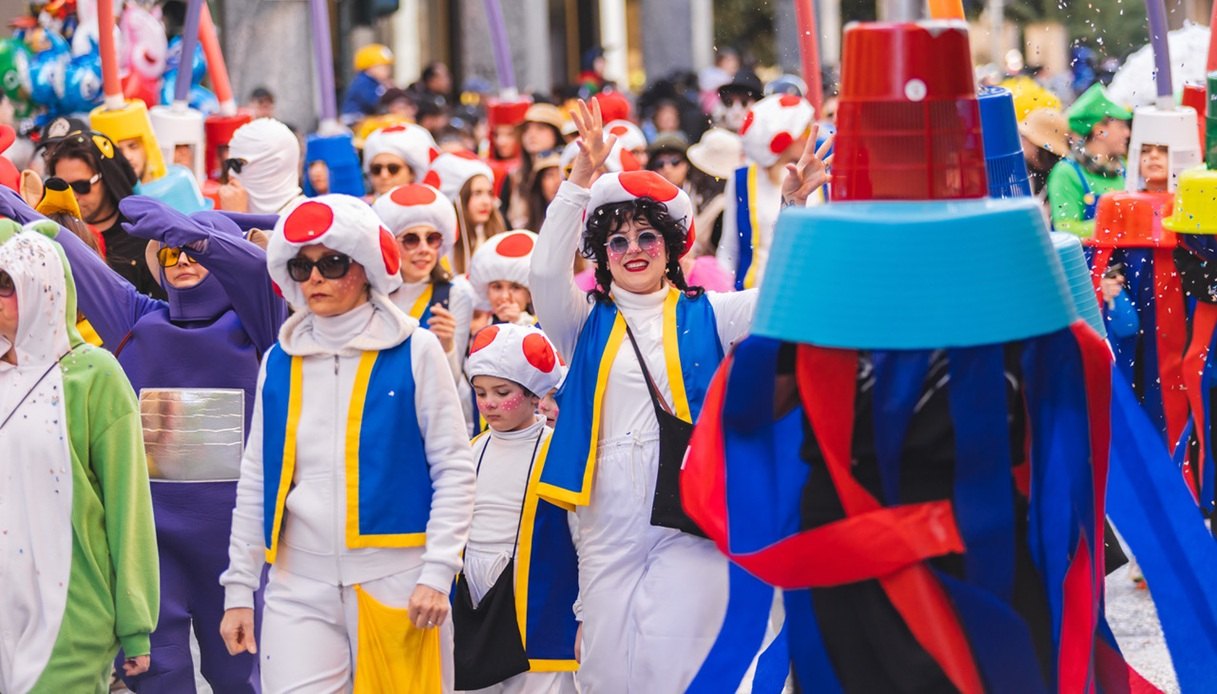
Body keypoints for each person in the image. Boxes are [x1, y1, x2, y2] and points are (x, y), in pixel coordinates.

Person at [529, 100, 828, 692]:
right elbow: (542, 274)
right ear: (602, 256)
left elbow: (786, 298)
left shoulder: (713, 313)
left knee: (685, 651)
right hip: (602, 507)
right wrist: (579, 180)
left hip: (691, 501)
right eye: (616, 241)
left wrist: (794, 209)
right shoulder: (579, 322)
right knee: (608, 666)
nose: (632, 248)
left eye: (645, 235)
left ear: (669, 246)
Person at [0, 187, 285, 692]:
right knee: (158, 676)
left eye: (193, 252)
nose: (181, 261)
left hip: (236, 545)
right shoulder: (136, 319)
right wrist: (18, 211)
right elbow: (74, 261)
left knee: (243, 675)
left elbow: (261, 274)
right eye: (170, 252)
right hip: (156, 546)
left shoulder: (262, 327)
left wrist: (199, 237)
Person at [219, 195, 476, 691]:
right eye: (301, 265)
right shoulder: (279, 360)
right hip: (298, 582)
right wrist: (238, 587)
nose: (313, 277)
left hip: (399, 580)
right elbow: (256, 479)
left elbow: (453, 467)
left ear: (365, 268)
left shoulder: (417, 349)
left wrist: (439, 571)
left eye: (331, 263)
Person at [0, 222, 159, 692]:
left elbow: (128, 506)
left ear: (42, 284)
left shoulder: (93, 374)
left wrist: (135, 622)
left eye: (6, 283)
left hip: (69, 614)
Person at [453, 323, 578, 692]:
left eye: (502, 392)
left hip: (539, 608)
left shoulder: (558, 452)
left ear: (533, 394)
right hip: (473, 602)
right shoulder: (471, 449)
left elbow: (585, 537)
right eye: (480, 392)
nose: (489, 402)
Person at [717, 93, 829, 289]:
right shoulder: (742, 180)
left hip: (813, 291)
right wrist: (723, 298)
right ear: (782, 141)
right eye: (805, 132)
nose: (812, 138)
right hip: (754, 297)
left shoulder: (823, 176)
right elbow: (728, 249)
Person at [372, 182, 475, 389]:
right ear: (391, 244)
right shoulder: (373, 294)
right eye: (411, 240)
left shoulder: (456, 294)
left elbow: (452, 383)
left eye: (432, 239)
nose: (424, 249)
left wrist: (448, 347)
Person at [45, 128, 164, 299]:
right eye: (61, 187)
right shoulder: (51, 238)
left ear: (108, 178)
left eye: (81, 186)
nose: (72, 196)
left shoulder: (146, 238)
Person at [1046, 83, 1132, 237]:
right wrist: (1117, 224)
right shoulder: (1067, 172)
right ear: (1099, 131)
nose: (1127, 133)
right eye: (1121, 127)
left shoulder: (1124, 168)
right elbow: (1064, 229)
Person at [425, 151, 506, 274]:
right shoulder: (440, 246)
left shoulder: (498, 235)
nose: (486, 201)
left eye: (489, 193)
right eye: (477, 193)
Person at [220, 118, 306, 215]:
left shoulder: (311, 219)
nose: (230, 174)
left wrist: (237, 220)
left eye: (238, 164)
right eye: (229, 164)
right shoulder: (229, 207)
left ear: (274, 167)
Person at [506, 103, 566, 228]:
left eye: (540, 128)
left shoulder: (569, 168)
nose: (531, 135)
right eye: (527, 129)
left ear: (556, 133)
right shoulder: (515, 175)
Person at [469, 229, 540, 327]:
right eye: (497, 287)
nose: (504, 296)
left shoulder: (543, 330)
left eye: (515, 287)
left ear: (530, 296)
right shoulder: (473, 324)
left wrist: (518, 321)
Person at [363, 123, 440, 198]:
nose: (384, 175)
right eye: (376, 169)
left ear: (412, 173)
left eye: (393, 169)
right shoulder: (360, 208)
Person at [1019, 107, 1072, 197]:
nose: (1022, 140)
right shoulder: (1024, 170)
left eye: (1026, 136)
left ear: (1041, 146)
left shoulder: (1064, 176)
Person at [341, 44, 395, 127]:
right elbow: (375, 102)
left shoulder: (375, 82)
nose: (387, 71)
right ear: (369, 68)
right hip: (354, 121)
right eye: (383, 67)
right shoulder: (362, 82)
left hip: (365, 119)